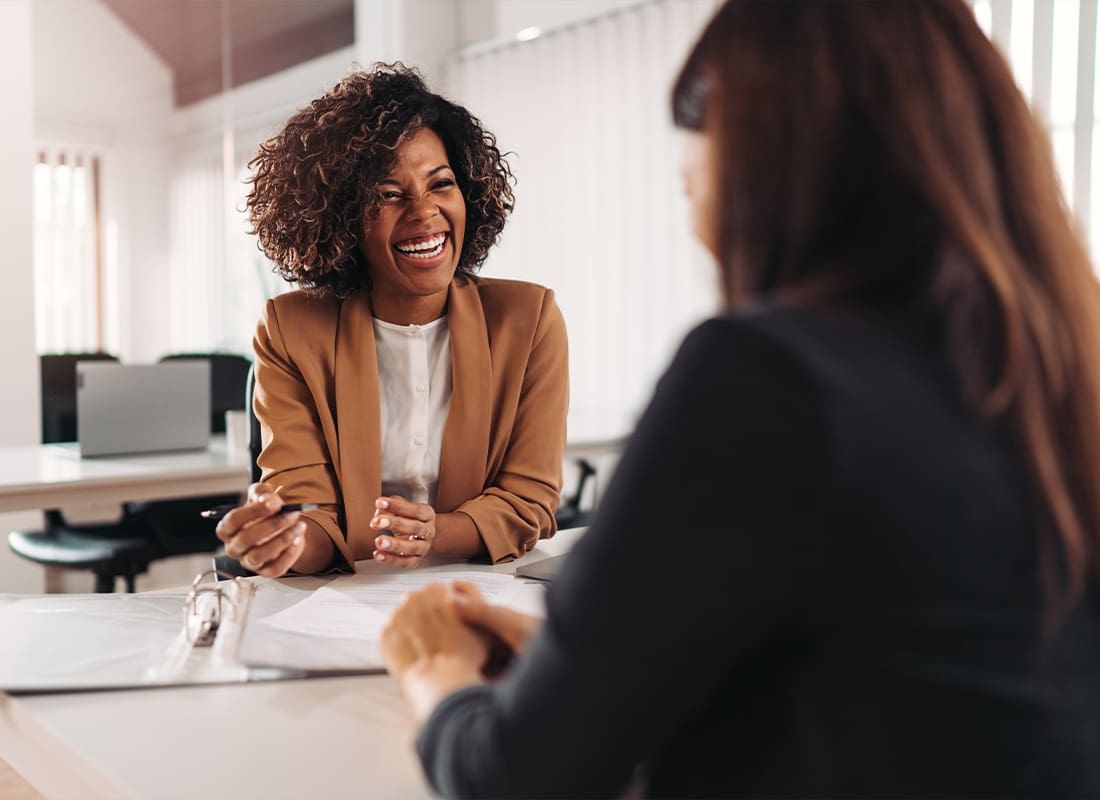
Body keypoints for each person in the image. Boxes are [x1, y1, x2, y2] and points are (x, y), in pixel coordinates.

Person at [379, 1, 1100, 797]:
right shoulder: (1050, 370)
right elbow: (887, 682)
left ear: (769, 175)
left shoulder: (768, 377)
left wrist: (433, 668)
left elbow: (514, 780)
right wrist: (593, 670)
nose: (697, 228)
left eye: (692, 187)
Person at [215, 65, 568, 577]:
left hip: (478, 587)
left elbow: (528, 500)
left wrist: (433, 533)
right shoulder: (291, 330)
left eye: (440, 183)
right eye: (387, 194)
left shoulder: (528, 320)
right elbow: (310, 512)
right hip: (344, 595)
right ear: (341, 217)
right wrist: (282, 541)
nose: (423, 212)